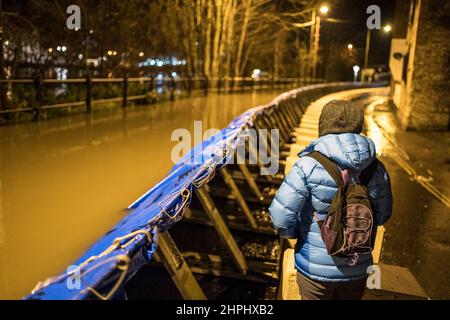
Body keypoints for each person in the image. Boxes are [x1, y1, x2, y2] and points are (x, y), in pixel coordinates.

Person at [269, 99, 393, 300]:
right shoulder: (376, 168)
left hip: (313, 270)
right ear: (358, 127)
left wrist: (298, 235)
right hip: (358, 268)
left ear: (323, 126)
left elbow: (281, 216)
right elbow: (383, 215)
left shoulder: (307, 165)